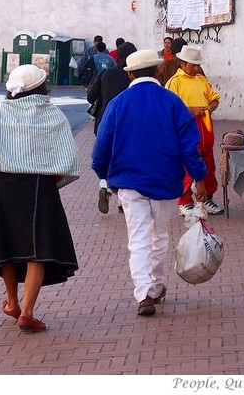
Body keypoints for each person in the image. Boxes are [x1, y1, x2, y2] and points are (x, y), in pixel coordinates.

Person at [0, 64, 80, 333]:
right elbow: (67, 155)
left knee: (7, 244)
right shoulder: (51, 114)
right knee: (38, 249)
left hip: (1, 184)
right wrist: (57, 178)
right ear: (43, 88)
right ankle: (28, 311)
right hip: (37, 184)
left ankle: (12, 302)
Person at [91, 49, 208, 316]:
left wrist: (105, 175)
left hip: (130, 182)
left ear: (130, 74)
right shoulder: (172, 102)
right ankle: (155, 286)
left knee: (139, 238)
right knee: (160, 234)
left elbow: (101, 148)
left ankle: (144, 293)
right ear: (157, 72)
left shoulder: (118, 104)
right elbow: (190, 146)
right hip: (165, 181)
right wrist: (198, 178)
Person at [165, 45, 224, 216]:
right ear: (182, 64)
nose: (197, 68)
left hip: (205, 128)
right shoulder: (174, 83)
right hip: (186, 128)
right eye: (193, 65)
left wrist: (210, 108)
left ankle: (208, 199)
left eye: (197, 65)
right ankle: (184, 201)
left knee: (208, 166)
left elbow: (214, 99)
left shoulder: (201, 80)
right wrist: (192, 110)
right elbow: (170, 108)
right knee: (186, 166)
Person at [86, 41, 137, 214]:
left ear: (119, 57)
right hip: (128, 124)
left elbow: (90, 96)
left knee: (106, 157)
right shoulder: (134, 77)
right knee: (124, 160)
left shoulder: (106, 74)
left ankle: (104, 186)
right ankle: (122, 201)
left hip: (104, 122)